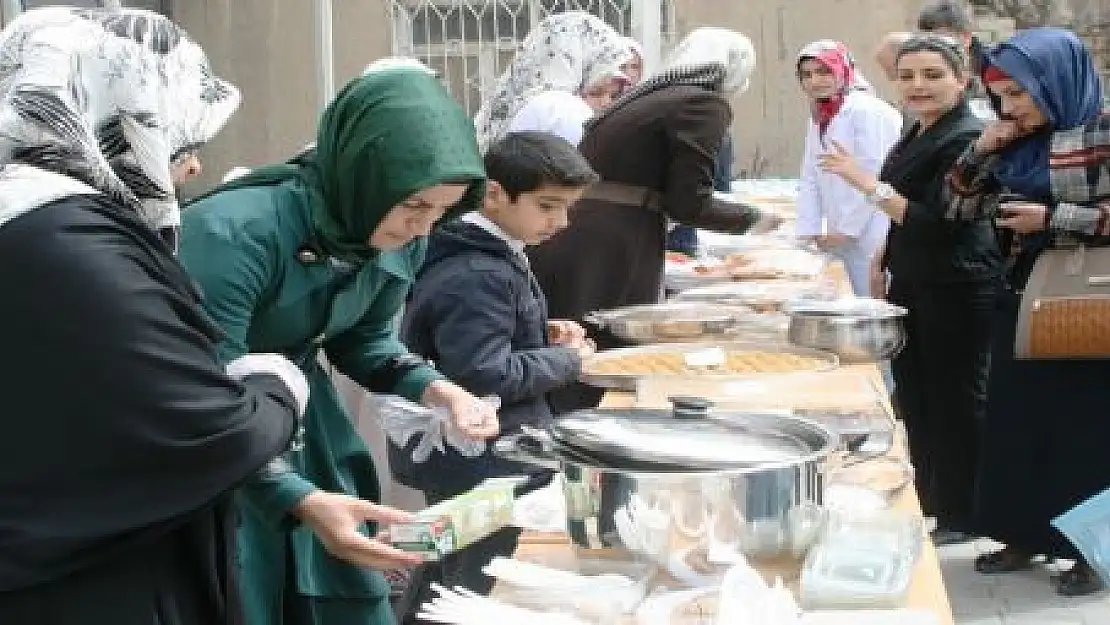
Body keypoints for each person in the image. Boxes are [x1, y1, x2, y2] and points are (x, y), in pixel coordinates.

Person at [0, 7, 308, 625]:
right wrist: (276, 384)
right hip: (90, 585)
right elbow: (208, 431)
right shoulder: (61, 239)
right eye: (182, 137)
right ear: (121, 115)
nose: (192, 166)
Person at [178, 63, 499, 625]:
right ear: (364, 176)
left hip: (307, 429)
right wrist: (291, 495)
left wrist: (439, 391)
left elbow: (362, 342)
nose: (423, 227)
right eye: (414, 206)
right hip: (220, 447)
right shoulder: (235, 233)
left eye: (442, 211)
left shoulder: (395, 235)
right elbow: (206, 393)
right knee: (245, 591)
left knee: (339, 594)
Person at [393, 131, 598, 619]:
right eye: (547, 206)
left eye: (568, 208)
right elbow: (484, 372)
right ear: (494, 193)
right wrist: (570, 362)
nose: (561, 222)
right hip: (483, 453)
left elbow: (478, 338)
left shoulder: (491, 252)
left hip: (476, 451)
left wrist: (537, 334)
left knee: (445, 567)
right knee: (479, 584)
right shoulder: (478, 270)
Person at [528, 27, 781, 413]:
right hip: (613, 241)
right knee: (600, 351)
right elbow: (688, 202)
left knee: (572, 339)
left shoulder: (648, 99)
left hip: (581, 230)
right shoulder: (702, 103)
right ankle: (581, 446)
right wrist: (755, 220)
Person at [818, 33, 1001, 544]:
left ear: (961, 80)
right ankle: (934, 499)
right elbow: (909, 214)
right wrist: (884, 254)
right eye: (907, 76)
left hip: (959, 281)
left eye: (932, 75)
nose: (918, 86)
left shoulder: (966, 136)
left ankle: (965, 512)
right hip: (916, 277)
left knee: (956, 399)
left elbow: (940, 220)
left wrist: (862, 181)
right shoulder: (921, 128)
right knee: (917, 395)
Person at [948, 27, 1110, 596]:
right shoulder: (1011, 136)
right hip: (1021, 292)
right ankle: (1022, 534)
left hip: (1090, 301)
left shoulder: (1103, 128)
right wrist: (983, 147)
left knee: (1088, 432)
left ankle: (1094, 552)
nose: (1009, 106)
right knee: (1017, 423)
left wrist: (1054, 219)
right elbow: (958, 205)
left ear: (1053, 80)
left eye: (1019, 93)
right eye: (1001, 95)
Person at [794, 40, 901, 297]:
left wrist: (847, 229)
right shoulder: (822, 112)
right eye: (806, 75)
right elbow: (811, 173)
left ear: (844, 70)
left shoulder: (867, 111)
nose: (814, 81)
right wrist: (809, 228)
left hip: (872, 226)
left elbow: (874, 174)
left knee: (874, 299)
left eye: (824, 72)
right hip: (840, 230)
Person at [474, 11, 629, 150]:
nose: (607, 104)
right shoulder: (562, 107)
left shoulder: (519, 101)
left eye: (614, 96)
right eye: (595, 93)